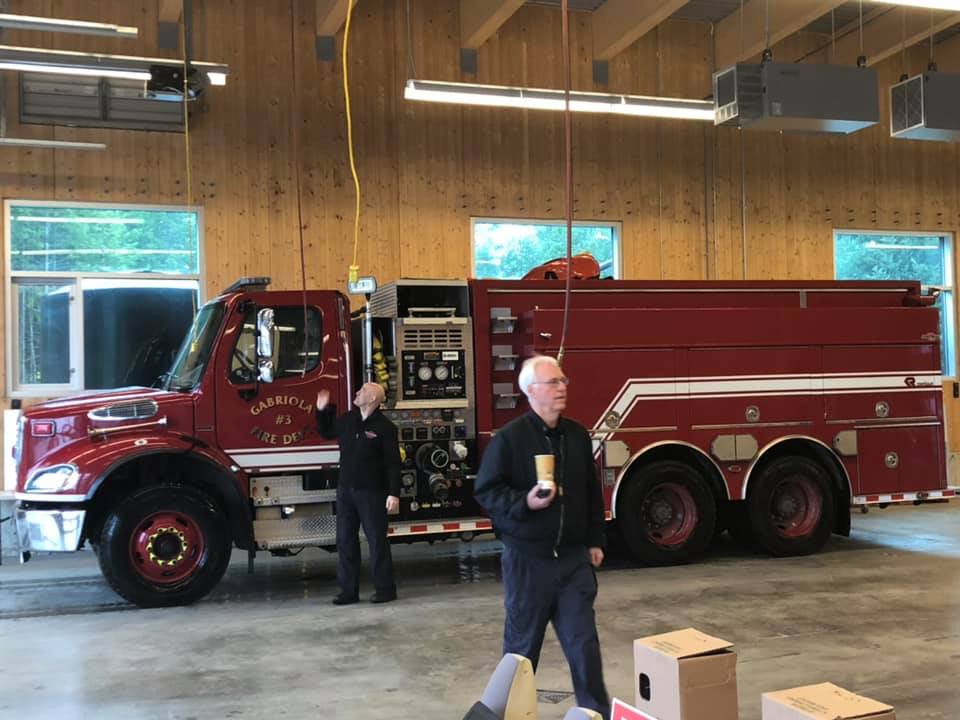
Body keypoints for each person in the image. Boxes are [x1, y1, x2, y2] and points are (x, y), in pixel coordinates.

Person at [474, 355, 610, 718]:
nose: (563, 387)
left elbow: (591, 493)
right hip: (527, 562)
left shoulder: (578, 436)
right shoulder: (509, 439)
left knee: (584, 647)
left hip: (572, 561)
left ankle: (596, 714)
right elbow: (486, 491)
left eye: (564, 380)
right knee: (520, 654)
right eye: (554, 382)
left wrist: (595, 539)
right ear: (531, 391)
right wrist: (525, 503)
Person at [316, 382, 401, 605]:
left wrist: (394, 494)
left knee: (376, 541)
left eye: (362, 391)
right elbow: (326, 432)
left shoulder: (385, 428)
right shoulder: (348, 420)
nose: (357, 393)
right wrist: (323, 410)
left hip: (372, 492)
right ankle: (348, 591)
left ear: (373, 398)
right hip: (346, 491)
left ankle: (385, 589)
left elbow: (393, 463)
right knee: (345, 540)